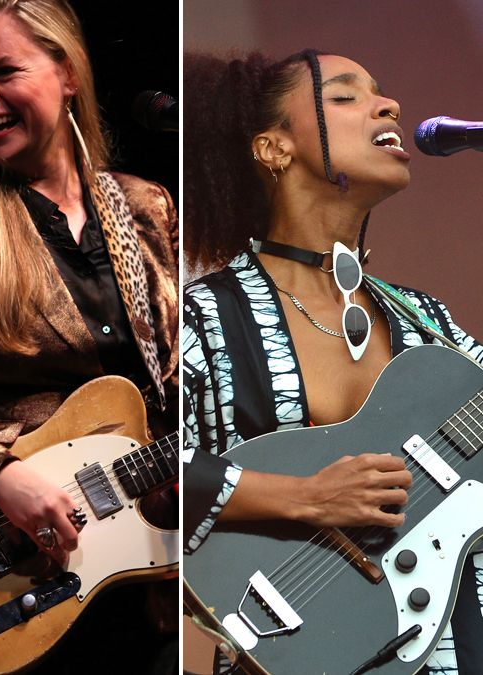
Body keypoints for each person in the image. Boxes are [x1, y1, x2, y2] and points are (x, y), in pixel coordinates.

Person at [0, 0, 178, 670]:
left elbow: (180, 385)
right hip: (3, 577)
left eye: (4, 70)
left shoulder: (145, 207)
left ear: (67, 73)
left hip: (141, 575)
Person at [182, 49, 483, 674]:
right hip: (287, 646)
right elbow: (148, 477)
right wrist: (305, 497)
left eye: (381, 92)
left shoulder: (426, 321)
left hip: (454, 644)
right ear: (273, 149)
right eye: (345, 96)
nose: (389, 105)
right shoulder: (202, 318)